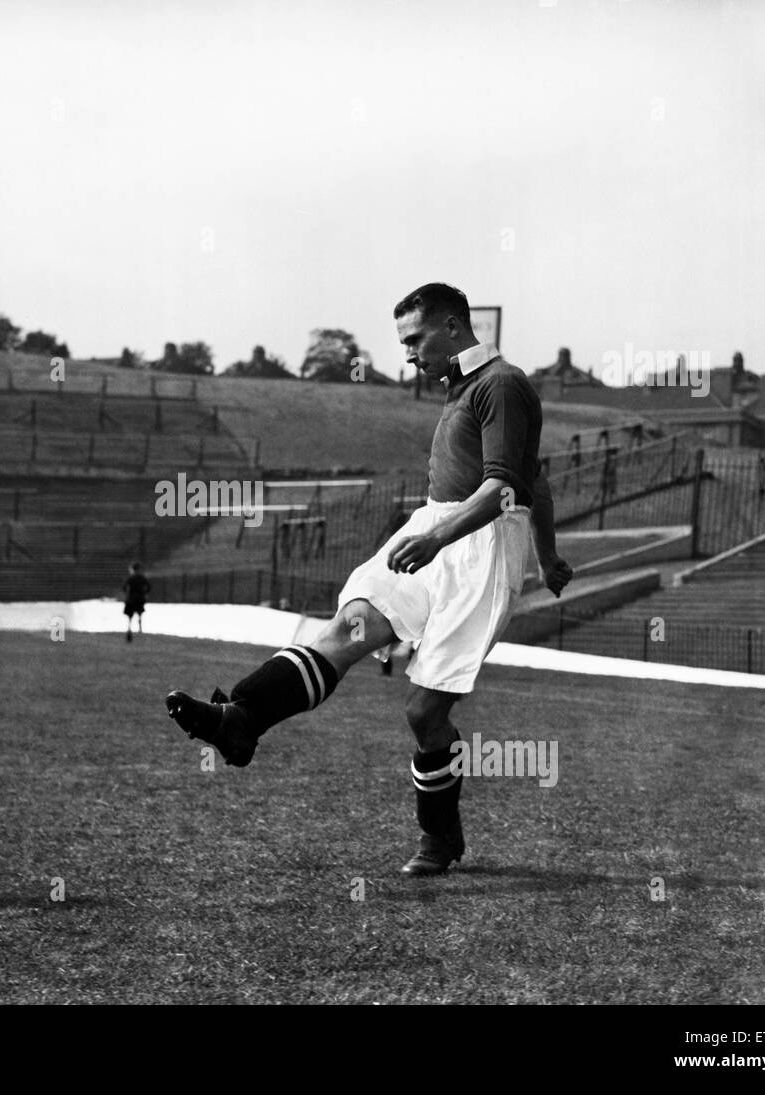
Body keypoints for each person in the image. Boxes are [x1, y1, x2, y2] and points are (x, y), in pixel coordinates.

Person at [166, 283, 573, 876]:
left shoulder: (502, 385)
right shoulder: (462, 388)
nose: (408, 353)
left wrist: (459, 541)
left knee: (423, 713)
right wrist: (550, 555)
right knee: (349, 627)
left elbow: (507, 487)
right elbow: (540, 481)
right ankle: (240, 720)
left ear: (455, 327)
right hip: (438, 528)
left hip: (477, 548)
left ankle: (440, 838)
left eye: (415, 339)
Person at [122, 561, 151, 642]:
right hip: (140, 598)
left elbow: (124, 588)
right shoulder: (142, 578)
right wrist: (145, 593)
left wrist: (127, 594)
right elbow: (149, 586)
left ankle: (129, 628)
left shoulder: (130, 578)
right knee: (139, 614)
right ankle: (140, 629)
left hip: (131, 599)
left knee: (130, 615)